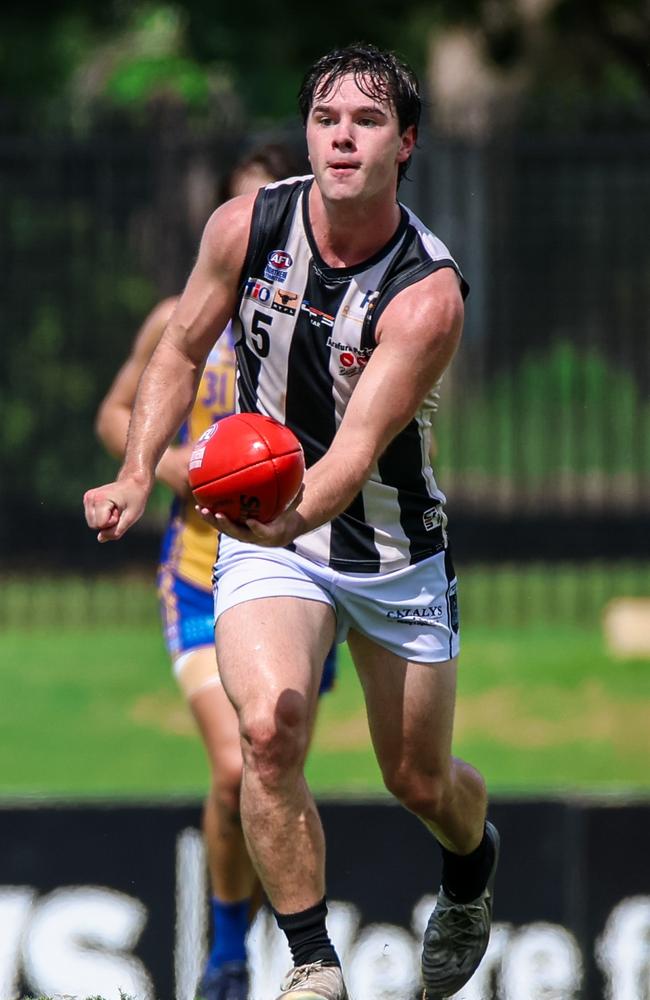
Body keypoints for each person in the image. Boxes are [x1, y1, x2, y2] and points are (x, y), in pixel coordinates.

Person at [84, 42, 499, 1000]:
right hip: (275, 537)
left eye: (366, 121)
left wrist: (275, 511)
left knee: (420, 784)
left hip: (388, 545)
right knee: (267, 733)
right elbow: (179, 350)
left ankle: (472, 872)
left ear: (407, 144)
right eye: (326, 119)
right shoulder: (247, 225)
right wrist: (137, 469)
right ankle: (312, 964)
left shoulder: (426, 294)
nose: (342, 138)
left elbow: (351, 460)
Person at [94, 143, 338, 1000]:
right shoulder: (182, 313)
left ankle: (301, 940)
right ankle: (232, 951)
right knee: (239, 763)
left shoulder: (328, 315)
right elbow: (117, 412)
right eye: (246, 213)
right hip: (200, 573)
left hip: (305, 569)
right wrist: (188, 474)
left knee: (284, 759)